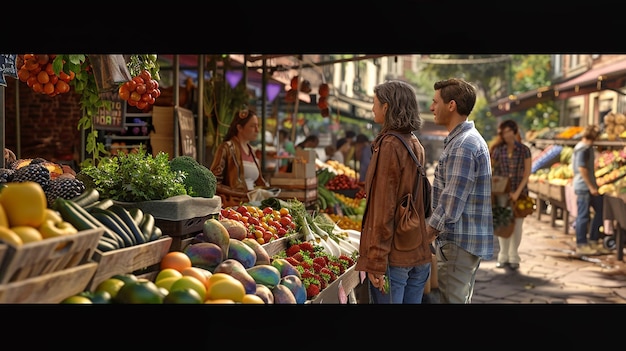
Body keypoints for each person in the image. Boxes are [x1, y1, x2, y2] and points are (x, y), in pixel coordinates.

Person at [354, 80, 432, 304]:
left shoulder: (389, 145)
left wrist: (376, 262)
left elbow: (383, 208)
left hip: (394, 257)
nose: (372, 109)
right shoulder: (414, 142)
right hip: (417, 250)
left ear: (386, 107)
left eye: (375, 103)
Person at [426, 78, 494, 304]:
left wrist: (426, 234)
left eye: (436, 102)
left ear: (451, 105)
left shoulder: (464, 144)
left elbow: (451, 201)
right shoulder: (464, 140)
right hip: (463, 242)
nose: (431, 107)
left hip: (458, 241)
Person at [489, 119, 532, 270]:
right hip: (502, 193)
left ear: (515, 131)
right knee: (503, 223)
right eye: (503, 132)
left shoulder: (524, 150)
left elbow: (527, 174)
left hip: (520, 193)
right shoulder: (497, 150)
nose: (506, 134)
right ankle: (503, 255)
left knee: (518, 225)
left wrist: (517, 192)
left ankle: (514, 255)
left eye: (509, 131)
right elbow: (492, 169)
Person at [210, 107, 269, 207]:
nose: (257, 130)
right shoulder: (226, 148)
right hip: (235, 206)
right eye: (252, 126)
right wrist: (244, 194)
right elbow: (214, 182)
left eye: (257, 126)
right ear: (240, 128)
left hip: (254, 205)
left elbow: (258, 182)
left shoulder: (252, 151)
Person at [572, 124, 610, 255]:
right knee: (583, 216)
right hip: (584, 187)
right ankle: (581, 244)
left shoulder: (584, 148)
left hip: (587, 186)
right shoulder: (583, 149)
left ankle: (593, 240)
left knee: (600, 210)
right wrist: (591, 186)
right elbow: (582, 168)